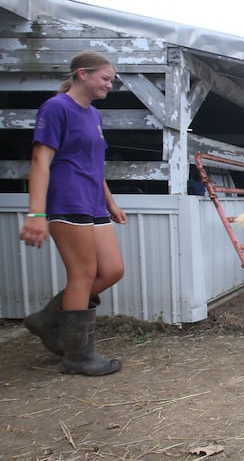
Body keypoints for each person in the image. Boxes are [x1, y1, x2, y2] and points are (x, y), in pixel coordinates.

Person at [19, 50, 127, 376]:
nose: (109, 85)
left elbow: (95, 164)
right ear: (83, 74)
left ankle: (50, 319)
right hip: (67, 200)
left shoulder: (94, 115)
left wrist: (110, 201)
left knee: (111, 270)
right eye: (105, 78)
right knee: (82, 274)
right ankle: (78, 357)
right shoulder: (56, 109)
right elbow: (40, 161)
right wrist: (36, 214)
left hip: (93, 202)